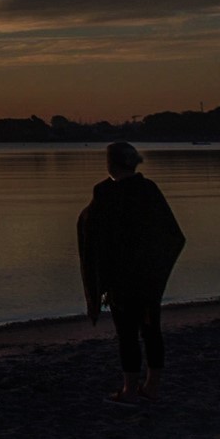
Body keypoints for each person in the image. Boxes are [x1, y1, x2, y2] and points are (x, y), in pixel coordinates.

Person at [79, 141, 185, 406]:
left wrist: (98, 279)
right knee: (151, 330)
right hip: (148, 277)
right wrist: (157, 267)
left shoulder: (105, 193)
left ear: (111, 163)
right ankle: (151, 387)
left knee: (127, 333)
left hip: (121, 278)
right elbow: (173, 235)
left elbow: (91, 233)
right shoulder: (148, 190)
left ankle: (129, 390)